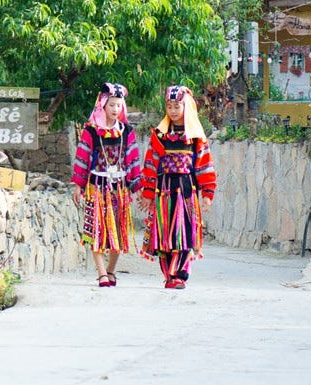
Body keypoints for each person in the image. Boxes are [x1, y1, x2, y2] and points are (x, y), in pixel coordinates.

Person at [137, 85, 216, 289]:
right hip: (163, 191)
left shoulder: (196, 137)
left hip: (186, 190)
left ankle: (179, 274)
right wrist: (147, 192)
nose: (172, 111)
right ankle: (168, 276)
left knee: (184, 231)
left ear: (186, 106)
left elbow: (204, 164)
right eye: (169, 106)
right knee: (163, 233)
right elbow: (151, 164)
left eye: (177, 106)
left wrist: (207, 192)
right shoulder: (160, 135)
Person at [71, 82, 141, 287]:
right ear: (102, 105)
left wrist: (137, 187)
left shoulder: (127, 131)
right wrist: (78, 185)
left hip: (119, 188)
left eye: (119, 105)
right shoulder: (91, 131)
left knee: (118, 231)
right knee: (96, 230)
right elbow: (82, 157)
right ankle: (102, 273)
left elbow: (133, 160)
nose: (115, 109)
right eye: (112, 105)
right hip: (96, 186)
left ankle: (111, 270)